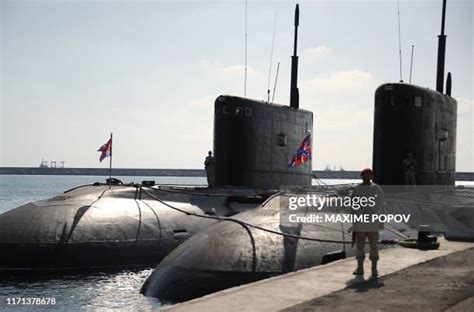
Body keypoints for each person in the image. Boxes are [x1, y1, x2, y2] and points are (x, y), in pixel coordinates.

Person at [351, 168, 386, 279]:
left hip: (371, 222)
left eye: (369, 175)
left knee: (372, 246)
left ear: (371, 177)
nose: (367, 177)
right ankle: (361, 268)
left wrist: (381, 220)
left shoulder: (375, 188)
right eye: (365, 175)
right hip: (362, 223)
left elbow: (381, 205)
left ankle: (373, 269)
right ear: (362, 176)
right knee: (361, 246)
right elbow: (353, 207)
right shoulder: (359, 189)